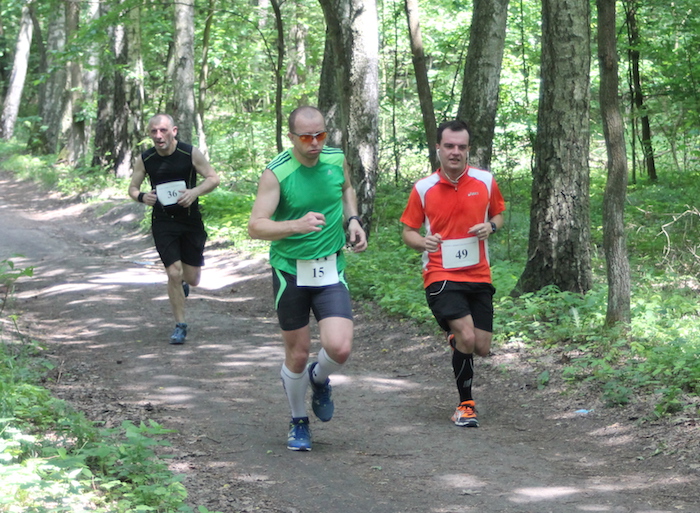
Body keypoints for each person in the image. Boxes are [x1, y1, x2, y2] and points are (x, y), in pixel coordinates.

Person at [248, 106, 367, 451]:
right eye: (306, 137)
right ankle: (298, 420)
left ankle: (320, 377)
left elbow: (346, 189)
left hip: (330, 267)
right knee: (298, 354)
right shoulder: (277, 173)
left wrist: (353, 220)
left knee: (340, 348)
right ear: (291, 137)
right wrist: (295, 225)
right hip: (290, 270)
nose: (314, 143)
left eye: (320, 135)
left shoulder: (335, 159)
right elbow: (256, 226)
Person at [400, 119, 505, 428]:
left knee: (481, 346)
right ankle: (465, 405)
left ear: (468, 149)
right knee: (467, 337)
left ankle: (455, 338)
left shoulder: (485, 181)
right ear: (438, 148)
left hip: (478, 274)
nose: (455, 152)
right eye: (449, 146)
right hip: (440, 273)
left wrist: (491, 226)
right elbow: (408, 232)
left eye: (461, 147)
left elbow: (498, 214)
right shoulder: (423, 188)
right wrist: (423, 242)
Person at [128, 113, 220, 345]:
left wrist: (194, 192)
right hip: (163, 222)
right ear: (149, 134)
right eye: (154, 131)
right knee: (174, 273)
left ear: (174, 131)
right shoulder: (146, 159)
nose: (158, 136)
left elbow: (213, 178)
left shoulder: (189, 153)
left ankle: (183, 284)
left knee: (192, 278)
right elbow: (132, 188)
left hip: (190, 221)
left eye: (163, 130)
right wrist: (142, 197)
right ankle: (180, 325)